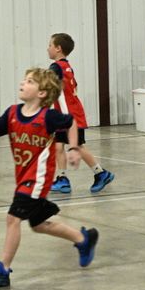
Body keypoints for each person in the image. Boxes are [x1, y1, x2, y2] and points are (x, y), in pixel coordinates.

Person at [0, 68, 100, 288]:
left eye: (30, 81)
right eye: (24, 80)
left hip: (38, 179)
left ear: (42, 93)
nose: (23, 83)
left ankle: (3, 269)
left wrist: (73, 148)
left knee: (13, 218)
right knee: (38, 225)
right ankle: (82, 239)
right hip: (23, 177)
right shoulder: (12, 113)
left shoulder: (47, 117)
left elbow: (71, 122)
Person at [46, 32, 113, 195]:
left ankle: (101, 173)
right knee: (58, 146)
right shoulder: (67, 67)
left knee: (77, 146)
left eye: (50, 45)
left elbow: (53, 90)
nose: (47, 48)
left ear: (58, 48)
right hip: (65, 114)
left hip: (70, 116)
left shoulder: (56, 68)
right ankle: (62, 179)